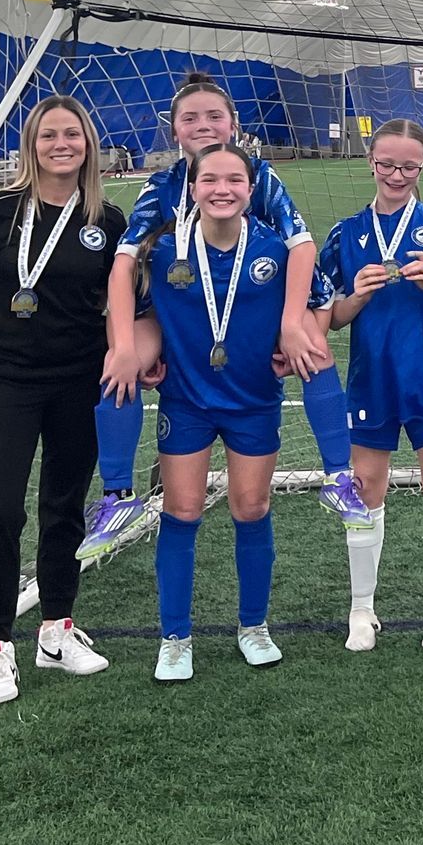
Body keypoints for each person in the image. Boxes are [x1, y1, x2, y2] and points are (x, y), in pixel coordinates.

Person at [83, 71, 368, 560]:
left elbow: (301, 246)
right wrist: (124, 343)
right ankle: (117, 495)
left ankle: (338, 475)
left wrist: (290, 324)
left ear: (234, 125)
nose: (203, 125)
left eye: (215, 116)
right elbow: (125, 261)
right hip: (173, 312)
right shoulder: (163, 185)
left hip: (249, 310)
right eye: (190, 118)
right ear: (174, 131)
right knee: (119, 365)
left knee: (313, 350)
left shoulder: (257, 176)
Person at [0, 96, 123, 706]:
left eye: (71, 134)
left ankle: (57, 630)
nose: (60, 144)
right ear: (31, 145)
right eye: (48, 135)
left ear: (87, 144)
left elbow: (116, 306)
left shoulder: (108, 218)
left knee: (64, 507)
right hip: (2, 383)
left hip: (79, 382)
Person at [135, 142, 293, 681]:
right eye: (210, 180)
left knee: (251, 507)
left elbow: (314, 305)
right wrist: (143, 351)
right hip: (187, 400)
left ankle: (253, 626)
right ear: (193, 187)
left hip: (253, 401)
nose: (222, 189)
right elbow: (136, 313)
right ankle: (175, 637)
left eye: (234, 180)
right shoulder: (163, 253)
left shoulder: (278, 249)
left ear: (251, 190)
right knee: (182, 511)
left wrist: (294, 344)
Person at [321, 120, 423, 653]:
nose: (396, 174)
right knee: (364, 489)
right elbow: (329, 318)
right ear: (371, 161)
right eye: (387, 163)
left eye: (408, 165)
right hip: (371, 377)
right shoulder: (346, 232)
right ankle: (362, 609)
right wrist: (356, 298)